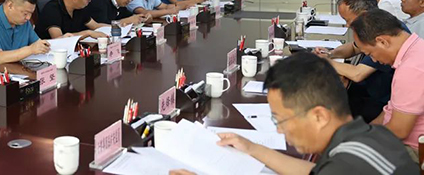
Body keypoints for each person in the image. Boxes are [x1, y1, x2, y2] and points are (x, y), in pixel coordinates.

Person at [171, 52, 416, 174]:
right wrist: (252, 148)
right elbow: (312, 171)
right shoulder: (366, 137)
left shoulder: (348, 166)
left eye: (281, 120)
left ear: (319, 116)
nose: (279, 130)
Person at [351, 9, 424, 161]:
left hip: (413, 149)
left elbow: (400, 130)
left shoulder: (410, 69)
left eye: (370, 54)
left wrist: (362, 141)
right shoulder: (416, 47)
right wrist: (368, 130)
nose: (374, 60)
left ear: (382, 42)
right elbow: (392, 109)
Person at [313, 0, 394, 123]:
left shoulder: (384, 32)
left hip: (377, 101)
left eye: (348, 20)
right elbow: (354, 47)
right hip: (366, 90)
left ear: (363, 14)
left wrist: (325, 62)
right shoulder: (372, 26)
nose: (347, 25)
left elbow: (357, 74)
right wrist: (330, 54)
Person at [35, 0, 109, 40]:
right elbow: (59, 38)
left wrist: (114, 27)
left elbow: (95, 26)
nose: (89, 1)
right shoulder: (52, 10)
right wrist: (88, 33)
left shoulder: (80, 7)